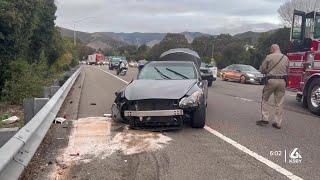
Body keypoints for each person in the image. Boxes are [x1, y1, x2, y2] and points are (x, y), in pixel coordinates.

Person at [257, 44, 289, 129]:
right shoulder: (285, 58)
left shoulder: (269, 57)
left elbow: (263, 69)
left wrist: (267, 70)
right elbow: (287, 70)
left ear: (273, 49)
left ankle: (265, 118)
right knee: (279, 102)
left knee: (265, 98)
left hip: (271, 80)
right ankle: (278, 122)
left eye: (271, 49)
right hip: (282, 81)